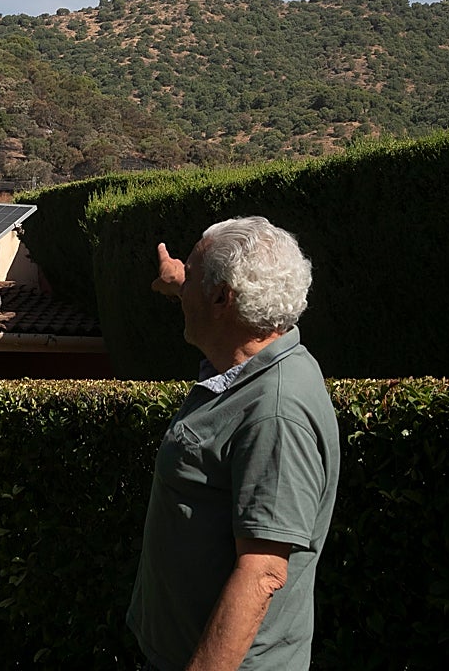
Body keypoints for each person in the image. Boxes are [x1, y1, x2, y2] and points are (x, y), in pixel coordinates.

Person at [126, 216, 340, 671]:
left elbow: (262, 573)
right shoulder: (248, 364)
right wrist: (180, 281)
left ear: (223, 297)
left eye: (195, 277)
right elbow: (203, 293)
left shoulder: (275, 411)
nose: (186, 289)